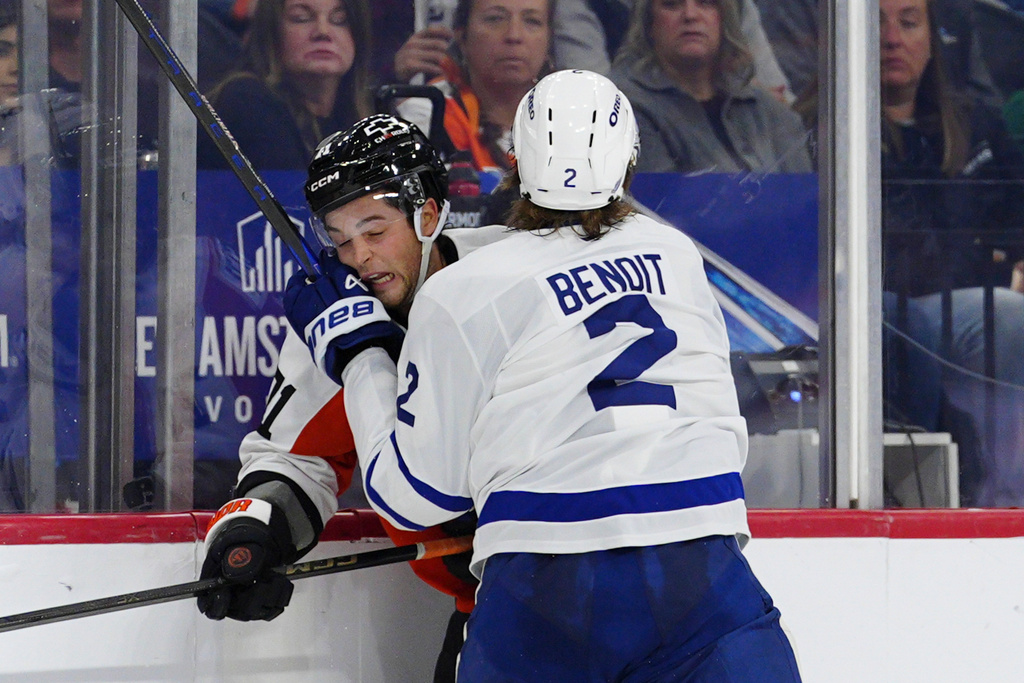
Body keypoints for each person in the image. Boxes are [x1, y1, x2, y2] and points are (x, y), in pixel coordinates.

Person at [281, 69, 802, 680]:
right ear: (631, 164)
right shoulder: (678, 255)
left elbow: (415, 497)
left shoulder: (461, 291)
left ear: (512, 161)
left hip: (545, 589)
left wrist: (360, 351)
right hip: (703, 574)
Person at [196, 114, 510, 683]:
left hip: (600, 565)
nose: (358, 258)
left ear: (429, 215)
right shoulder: (335, 321)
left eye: (374, 231)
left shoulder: (514, 271)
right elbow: (292, 457)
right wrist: (256, 533)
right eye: (339, 239)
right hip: (493, 612)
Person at [878, 0, 1024, 506]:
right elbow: (907, 258)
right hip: (893, 311)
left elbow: (1014, 212)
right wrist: (997, 270)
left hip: (967, 297)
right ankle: (1003, 500)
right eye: (875, 23)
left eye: (908, 22)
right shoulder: (830, 132)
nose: (891, 37)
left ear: (932, 39)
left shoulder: (975, 123)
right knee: (1005, 314)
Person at [608, 0, 811, 175]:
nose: (690, 15)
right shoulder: (623, 109)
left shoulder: (770, 112)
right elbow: (667, 208)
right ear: (649, 24)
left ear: (724, 20)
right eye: (672, 4)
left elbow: (806, 203)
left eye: (706, 2)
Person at [395, 0, 554, 188]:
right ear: (462, 37)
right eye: (495, 18)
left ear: (549, 40)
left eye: (532, 21)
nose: (514, 35)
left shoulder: (574, 121)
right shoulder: (429, 112)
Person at [198, 0, 373, 170]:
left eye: (339, 20)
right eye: (301, 18)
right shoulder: (246, 100)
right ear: (270, 32)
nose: (323, 31)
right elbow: (294, 197)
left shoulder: (364, 111)